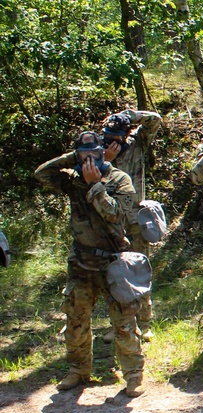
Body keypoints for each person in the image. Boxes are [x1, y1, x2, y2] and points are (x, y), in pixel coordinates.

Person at [34, 131, 145, 397]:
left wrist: (95, 185)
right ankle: (78, 370)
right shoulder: (73, 179)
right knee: (76, 320)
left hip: (112, 262)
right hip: (82, 261)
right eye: (84, 154)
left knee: (124, 322)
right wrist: (73, 157)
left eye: (94, 153)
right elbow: (41, 174)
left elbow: (117, 213)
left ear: (103, 152)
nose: (89, 159)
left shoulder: (119, 179)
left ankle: (133, 375)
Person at [101, 108, 163, 343]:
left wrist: (127, 115)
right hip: (111, 223)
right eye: (108, 134)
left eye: (117, 136)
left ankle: (145, 323)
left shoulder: (137, 145)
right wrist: (106, 158)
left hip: (136, 221)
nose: (112, 140)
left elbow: (155, 120)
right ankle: (121, 324)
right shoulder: (98, 152)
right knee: (113, 274)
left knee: (139, 271)